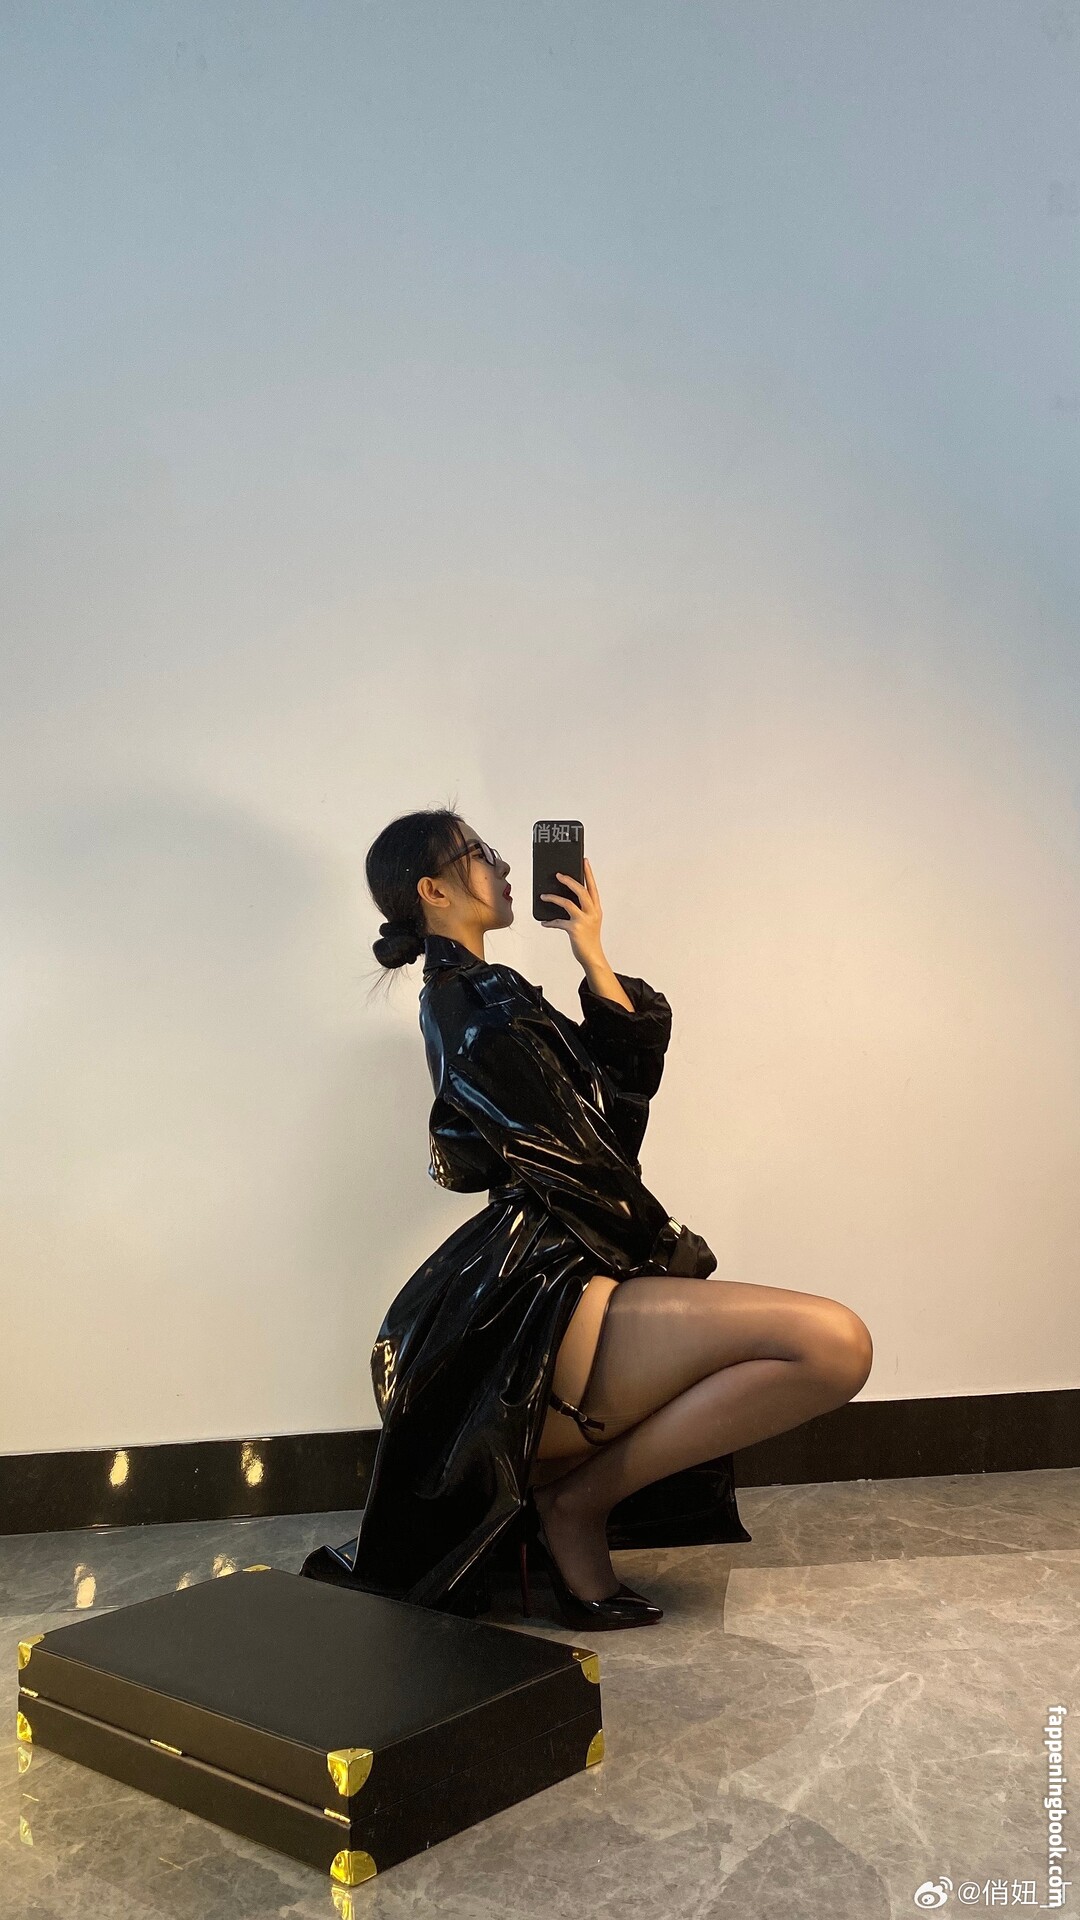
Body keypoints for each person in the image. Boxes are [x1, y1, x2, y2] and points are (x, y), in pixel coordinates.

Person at [300, 807, 873, 1630]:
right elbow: (573, 1156)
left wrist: (591, 951)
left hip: (564, 1270)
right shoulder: (470, 1002)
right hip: (539, 1290)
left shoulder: (487, 993)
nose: (504, 867)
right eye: (480, 854)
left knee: (831, 1346)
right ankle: (575, 1506)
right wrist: (664, 1245)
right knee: (831, 1343)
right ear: (434, 890)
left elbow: (616, 1105)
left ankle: (573, 1501)